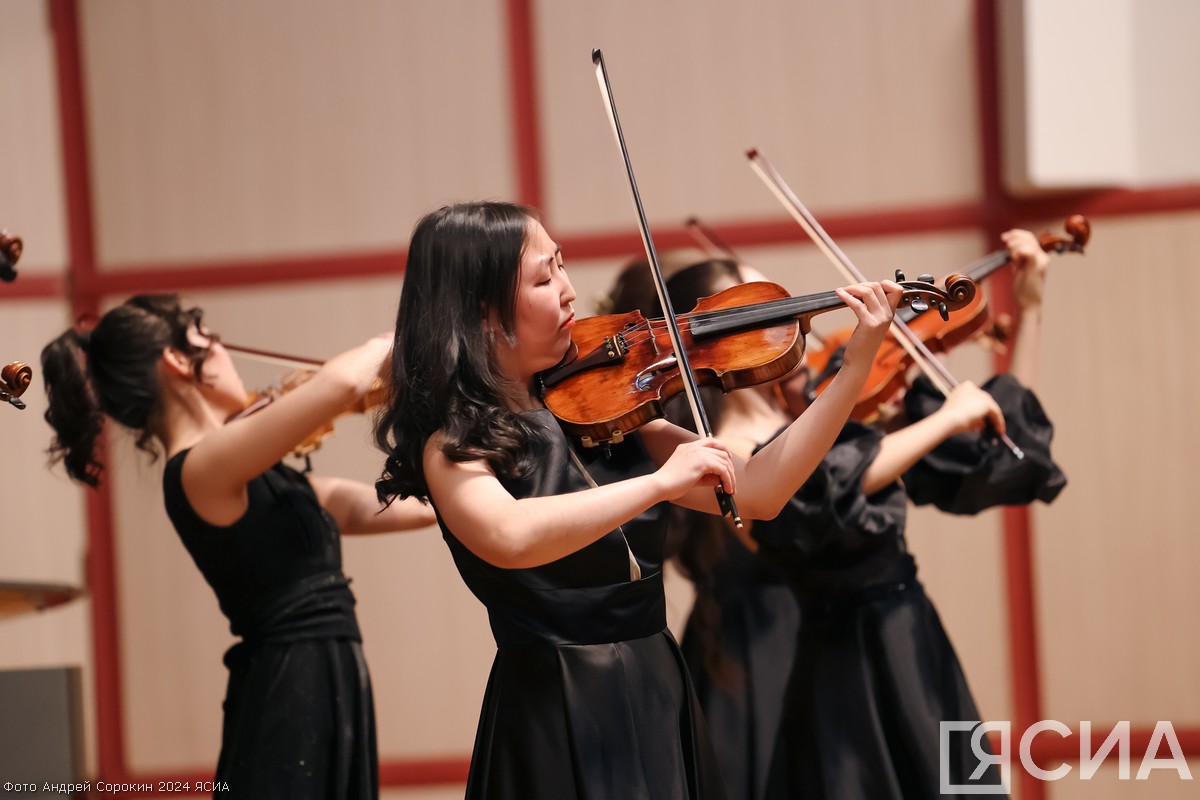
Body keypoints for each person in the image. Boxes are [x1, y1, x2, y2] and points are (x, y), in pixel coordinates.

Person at [372, 201, 903, 800]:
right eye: (544, 279)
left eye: (563, 266)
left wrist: (854, 369)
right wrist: (657, 484)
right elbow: (509, 536)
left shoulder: (597, 403)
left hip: (656, 682)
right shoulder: (455, 444)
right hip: (556, 703)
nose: (570, 291)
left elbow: (760, 491)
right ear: (483, 311)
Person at [625, 232, 1062, 800]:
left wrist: (1030, 310)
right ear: (709, 335)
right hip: (844, 672)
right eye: (756, 307)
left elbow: (996, 453)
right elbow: (816, 487)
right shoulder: (729, 451)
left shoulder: (818, 412)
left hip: (914, 644)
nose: (788, 317)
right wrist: (938, 415)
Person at [41, 294, 436, 800]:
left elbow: (388, 508)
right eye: (211, 339)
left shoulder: (257, 476)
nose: (226, 353)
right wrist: (396, 345)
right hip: (290, 690)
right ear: (177, 360)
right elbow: (341, 383)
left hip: (324, 678)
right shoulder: (197, 470)